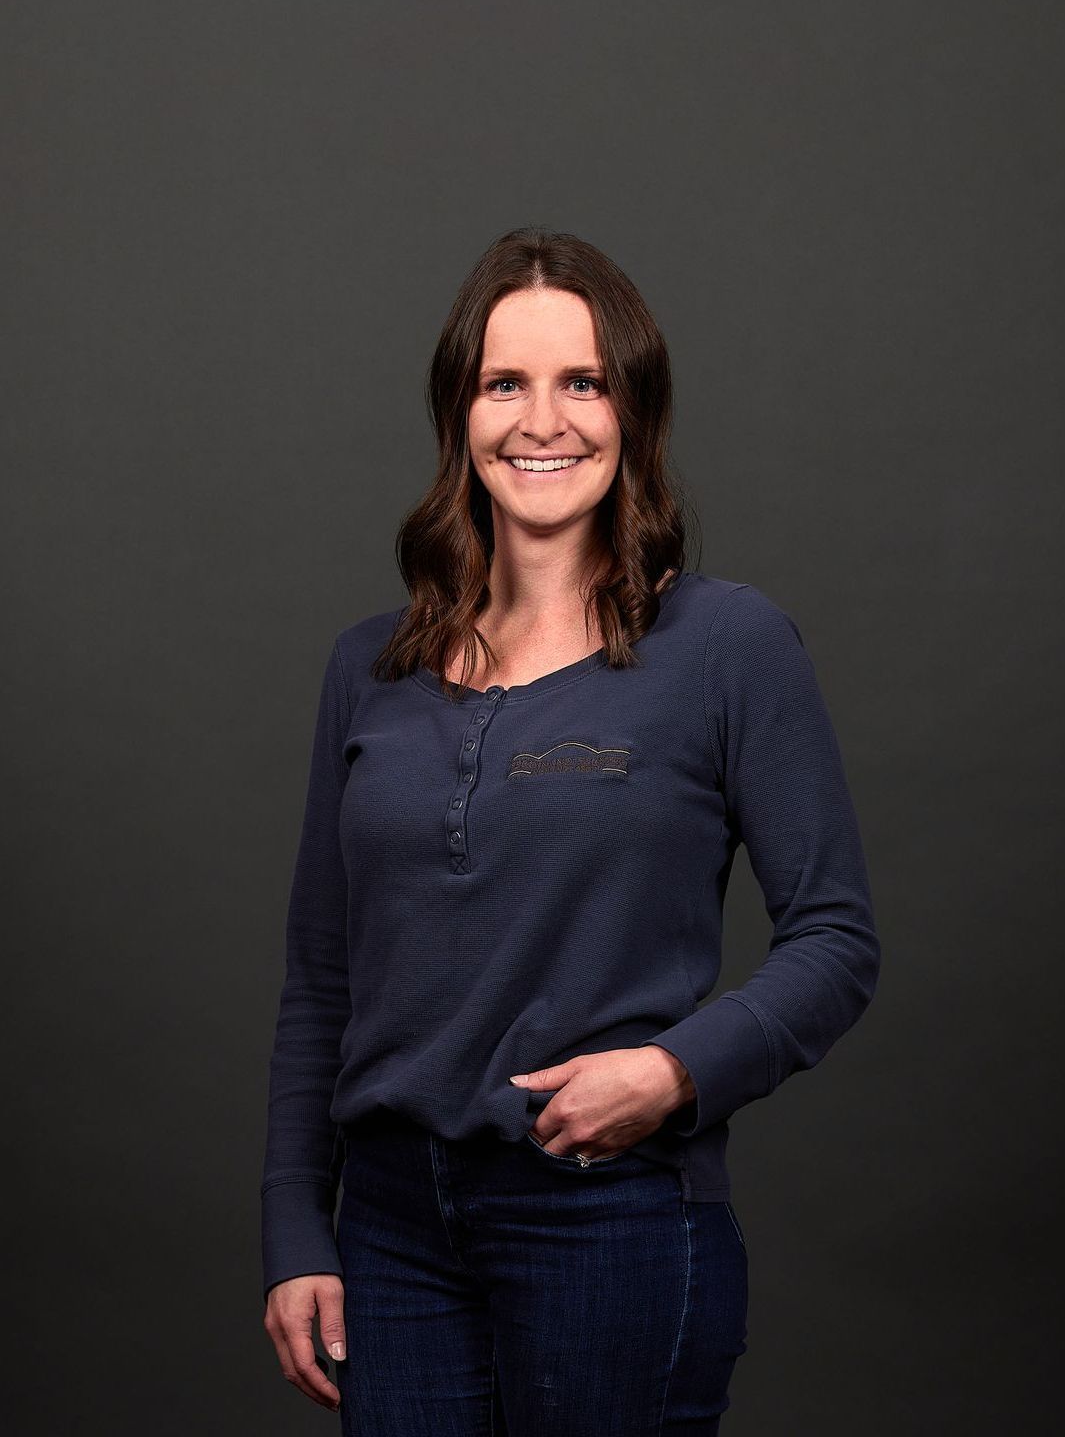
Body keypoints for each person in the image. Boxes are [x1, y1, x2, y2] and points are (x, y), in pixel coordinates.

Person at [259, 225, 882, 1435]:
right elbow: (320, 984)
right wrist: (297, 1227)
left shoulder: (727, 647)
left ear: (633, 410)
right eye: (506, 384)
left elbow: (838, 938)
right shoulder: (366, 671)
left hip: (611, 1221)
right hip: (388, 1238)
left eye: (581, 383)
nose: (543, 421)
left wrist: (675, 1070)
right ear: (461, 414)